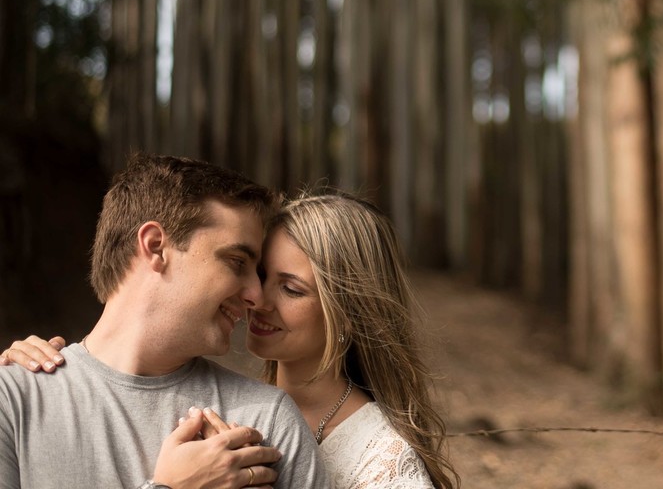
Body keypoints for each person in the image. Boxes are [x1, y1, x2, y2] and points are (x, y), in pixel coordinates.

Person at [5, 190, 458, 489]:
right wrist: (48, 379)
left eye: (291, 289)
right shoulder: (229, 403)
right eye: (257, 274)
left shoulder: (384, 461)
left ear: (350, 314)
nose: (256, 298)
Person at [0, 153, 329, 488]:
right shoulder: (13, 399)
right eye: (236, 262)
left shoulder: (268, 419)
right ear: (156, 247)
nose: (256, 296)